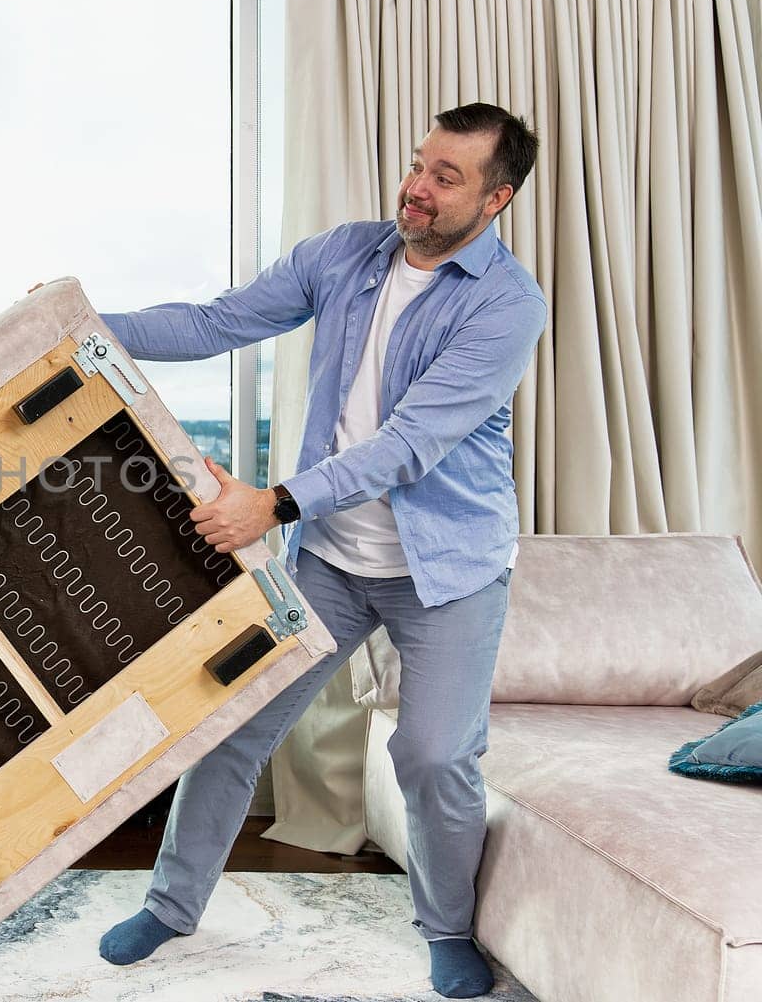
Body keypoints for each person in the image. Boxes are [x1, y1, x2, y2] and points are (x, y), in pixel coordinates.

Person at [92, 103, 547, 999]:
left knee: (431, 754)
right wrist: (82, 320)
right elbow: (218, 321)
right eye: (420, 164)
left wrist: (271, 502)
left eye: (446, 177)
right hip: (332, 559)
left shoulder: (506, 304)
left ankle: (448, 928)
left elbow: (410, 442)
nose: (416, 186)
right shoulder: (346, 252)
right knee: (234, 724)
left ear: (496, 199)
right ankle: (173, 906)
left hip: (446, 570)